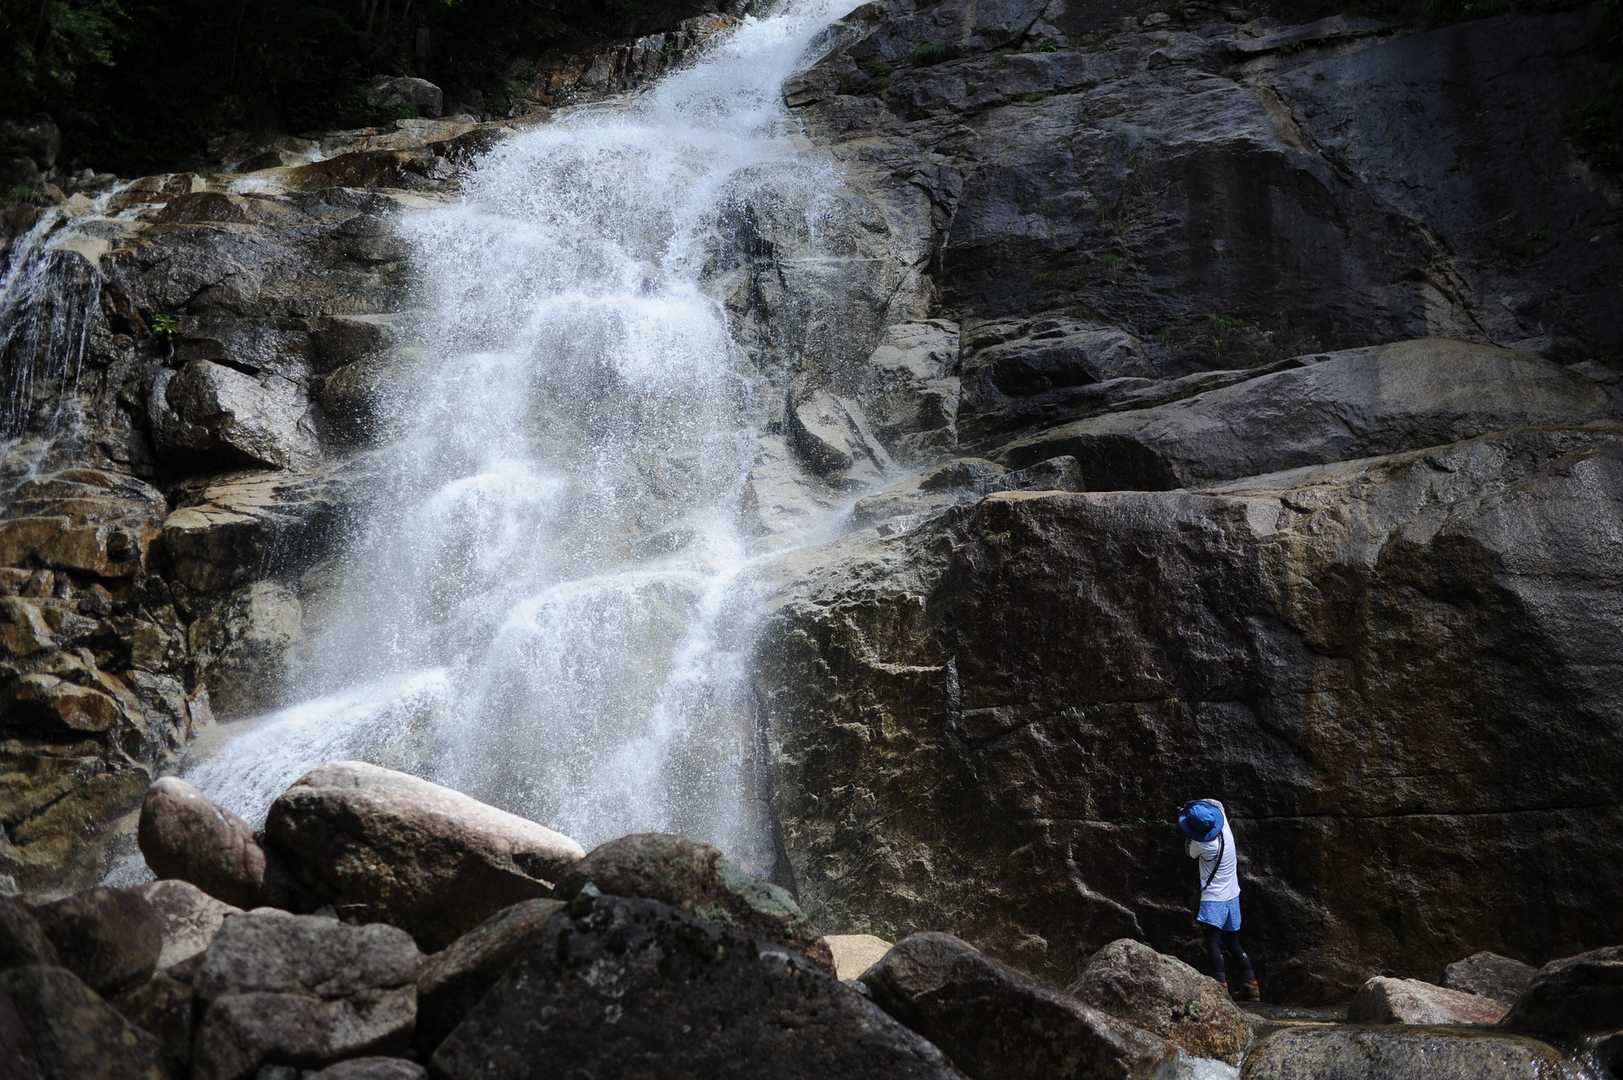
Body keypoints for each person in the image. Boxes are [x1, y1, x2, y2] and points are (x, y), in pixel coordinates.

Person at [1177, 797, 1260, 1000]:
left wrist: (1185, 816)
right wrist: (1193, 808)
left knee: (1213, 941)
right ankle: (1252, 985)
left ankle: (1221, 988)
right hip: (1232, 894)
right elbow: (1217, 805)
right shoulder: (1224, 827)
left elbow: (1189, 852)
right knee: (1232, 941)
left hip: (1214, 898)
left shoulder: (1202, 845)